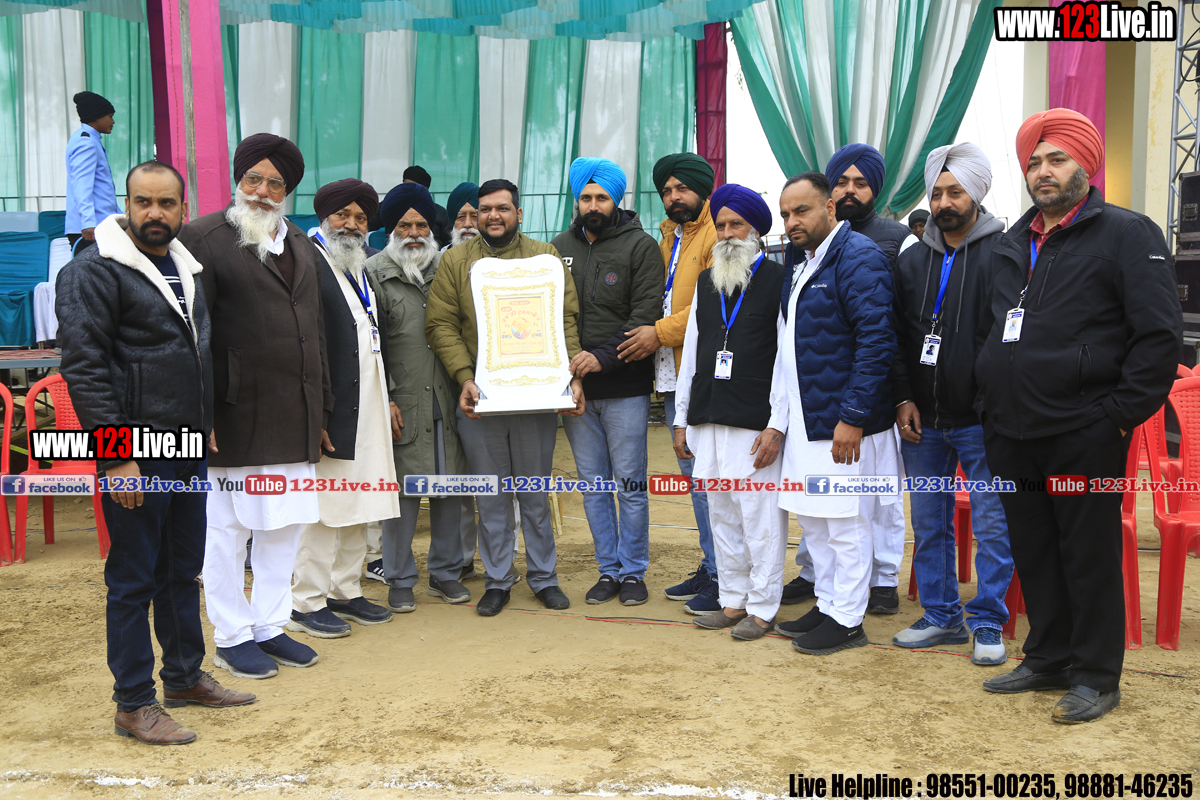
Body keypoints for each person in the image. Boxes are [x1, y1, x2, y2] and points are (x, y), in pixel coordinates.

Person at [976, 109, 1181, 723]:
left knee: (1087, 555)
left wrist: (1114, 417)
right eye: (1034, 161)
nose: (1043, 171)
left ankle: (1095, 675)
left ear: (1085, 165)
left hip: (1083, 431)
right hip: (1011, 431)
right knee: (1034, 551)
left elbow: (1158, 339)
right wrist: (988, 403)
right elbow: (994, 331)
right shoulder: (1011, 243)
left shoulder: (1127, 234)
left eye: (1057, 159)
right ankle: (1048, 657)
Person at [57, 161, 254, 745]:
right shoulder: (93, 271)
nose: (154, 213)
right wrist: (116, 456)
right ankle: (133, 703)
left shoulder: (183, 266)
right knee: (133, 578)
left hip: (186, 446)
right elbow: (85, 368)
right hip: (136, 451)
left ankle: (185, 677)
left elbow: (196, 352)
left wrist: (204, 423)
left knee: (182, 569)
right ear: (127, 205)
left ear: (182, 209)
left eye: (166, 203)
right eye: (143, 202)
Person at [178, 133, 330, 679]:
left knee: (283, 528)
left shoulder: (301, 243)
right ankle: (232, 635)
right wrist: (202, 415)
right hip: (233, 414)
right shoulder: (203, 238)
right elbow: (190, 334)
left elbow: (315, 330)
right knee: (226, 531)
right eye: (254, 179)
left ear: (288, 191)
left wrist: (323, 411)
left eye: (275, 183)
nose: (263, 192)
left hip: (295, 413)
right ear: (237, 180)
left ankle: (270, 625)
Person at [425, 178, 585, 616]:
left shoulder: (545, 258)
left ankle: (544, 578)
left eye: (502, 208)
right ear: (476, 215)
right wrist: (464, 377)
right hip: (483, 399)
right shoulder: (456, 261)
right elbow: (440, 324)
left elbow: (564, 321)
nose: (493, 216)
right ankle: (498, 579)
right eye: (485, 209)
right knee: (492, 496)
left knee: (534, 493)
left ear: (518, 213)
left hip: (536, 399)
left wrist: (569, 377)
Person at [891, 143, 1013, 666]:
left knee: (991, 525)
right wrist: (902, 397)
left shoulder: (1005, 253)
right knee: (930, 523)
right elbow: (897, 337)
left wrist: (991, 404)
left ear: (977, 193)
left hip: (982, 421)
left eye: (955, 192)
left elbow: (1008, 337)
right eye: (937, 193)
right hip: (923, 421)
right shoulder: (913, 259)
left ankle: (988, 621)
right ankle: (942, 615)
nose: (943, 202)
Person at [773, 171, 899, 655]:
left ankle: (848, 618)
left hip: (843, 424)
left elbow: (876, 341)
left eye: (801, 211)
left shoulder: (859, 256)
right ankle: (827, 604)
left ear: (829, 208)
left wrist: (853, 415)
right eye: (786, 214)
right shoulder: (803, 260)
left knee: (845, 523)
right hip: (808, 419)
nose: (792, 222)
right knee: (816, 520)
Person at [672, 183, 789, 641]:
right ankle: (733, 600)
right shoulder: (708, 282)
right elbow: (692, 353)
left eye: (735, 224)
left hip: (755, 425)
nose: (726, 234)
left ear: (756, 230)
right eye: (720, 225)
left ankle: (763, 606)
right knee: (722, 515)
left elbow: (787, 362)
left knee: (760, 518)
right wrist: (681, 418)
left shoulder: (780, 280)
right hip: (708, 419)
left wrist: (777, 424)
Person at [287, 179, 399, 639]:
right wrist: (316, 411)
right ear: (324, 217)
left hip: (367, 401)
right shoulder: (308, 261)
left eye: (360, 217)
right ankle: (306, 601)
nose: (352, 224)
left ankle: (345, 590)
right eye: (342, 215)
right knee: (325, 507)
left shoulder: (358, 264)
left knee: (363, 497)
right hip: (332, 406)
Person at [552, 158, 663, 606]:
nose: (593, 205)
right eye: (586, 197)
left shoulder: (641, 247)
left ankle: (634, 571)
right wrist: (568, 373)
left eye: (602, 197)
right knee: (593, 485)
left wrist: (599, 358)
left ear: (617, 200)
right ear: (576, 201)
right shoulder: (557, 248)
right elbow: (551, 317)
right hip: (576, 390)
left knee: (630, 483)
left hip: (625, 388)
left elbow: (644, 315)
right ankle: (608, 571)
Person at [619, 152, 720, 614]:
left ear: (702, 189)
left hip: (704, 374)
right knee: (694, 477)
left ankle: (723, 574)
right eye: (666, 190)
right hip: (673, 374)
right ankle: (712, 564)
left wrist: (656, 333)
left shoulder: (717, 234)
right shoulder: (670, 236)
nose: (673, 197)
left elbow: (710, 308)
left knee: (707, 480)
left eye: (682, 188)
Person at [368, 183, 475, 612]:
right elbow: (370, 345)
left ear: (432, 228)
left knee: (449, 489)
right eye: (404, 225)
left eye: (421, 225)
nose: (413, 233)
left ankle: (446, 573)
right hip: (402, 401)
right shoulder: (372, 273)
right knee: (402, 496)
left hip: (448, 397)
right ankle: (398, 577)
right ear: (390, 230)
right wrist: (386, 397)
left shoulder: (450, 268)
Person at [66, 91, 120, 254]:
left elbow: (102, 190)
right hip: (91, 229)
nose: (113, 121)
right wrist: (88, 223)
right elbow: (82, 186)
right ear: (96, 117)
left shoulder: (86, 139)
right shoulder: (86, 143)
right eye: (110, 116)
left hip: (99, 225)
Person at [403, 165, 452, 248]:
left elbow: (449, 243)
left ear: (425, 189)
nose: (408, 190)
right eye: (405, 186)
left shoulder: (440, 213)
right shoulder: (395, 208)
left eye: (413, 186)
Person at [445, 181, 481, 249]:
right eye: (461, 217)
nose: (467, 224)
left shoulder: (498, 255)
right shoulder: (443, 255)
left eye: (475, 217)